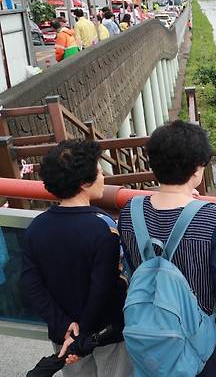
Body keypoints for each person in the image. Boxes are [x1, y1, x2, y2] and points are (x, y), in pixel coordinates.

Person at [118, 120, 216, 377]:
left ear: (154, 166)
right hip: (201, 343)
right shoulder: (212, 218)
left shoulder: (129, 213)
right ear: (198, 170)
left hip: (148, 334)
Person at [21, 139, 132, 376]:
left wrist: (64, 326)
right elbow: (102, 287)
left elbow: (32, 284)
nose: (104, 177)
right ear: (84, 183)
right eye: (101, 172)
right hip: (104, 331)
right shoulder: (103, 228)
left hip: (64, 334)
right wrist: (84, 331)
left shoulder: (36, 228)